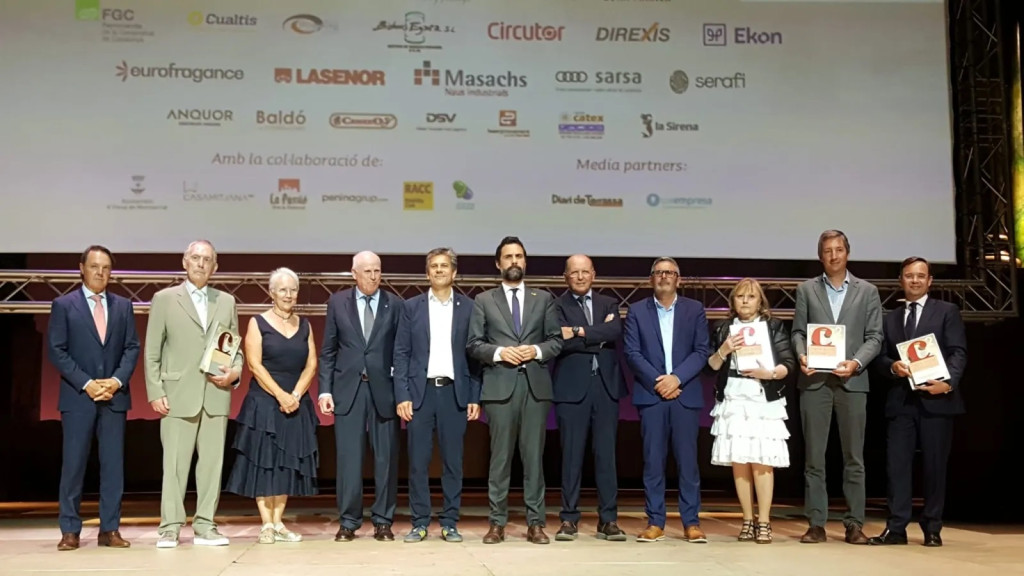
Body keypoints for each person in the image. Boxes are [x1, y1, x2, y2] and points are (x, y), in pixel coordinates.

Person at [145, 240, 243, 548]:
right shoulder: (164, 299)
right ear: (185, 262)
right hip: (177, 394)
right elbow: (152, 352)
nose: (201, 264)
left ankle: (205, 526)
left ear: (215, 267)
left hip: (215, 395)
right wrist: (155, 390)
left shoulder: (226, 301)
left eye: (207, 259)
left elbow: (235, 350)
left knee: (212, 465)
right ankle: (170, 528)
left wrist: (234, 373)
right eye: (196, 258)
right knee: (174, 465)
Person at [467, 236, 562, 545]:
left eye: (518, 256)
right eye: (508, 257)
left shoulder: (543, 299)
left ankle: (536, 523)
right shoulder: (484, 300)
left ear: (525, 261)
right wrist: (499, 353)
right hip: (499, 387)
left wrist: (534, 350)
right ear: (498, 263)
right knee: (500, 459)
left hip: (534, 388)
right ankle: (497, 523)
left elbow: (555, 341)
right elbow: (474, 344)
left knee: (534, 459)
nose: (513, 261)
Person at [868, 257, 967, 547]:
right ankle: (896, 528)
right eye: (909, 275)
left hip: (937, 400)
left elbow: (958, 352)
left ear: (929, 280)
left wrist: (947, 384)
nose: (914, 280)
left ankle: (932, 527)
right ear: (901, 279)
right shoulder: (891, 317)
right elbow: (881, 357)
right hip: (901, 402)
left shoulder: (947, 311)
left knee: (935, 467)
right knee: (896, 467)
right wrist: (891, 367)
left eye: (920, 276)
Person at [791, 230, 882, 544]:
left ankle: (854, 523)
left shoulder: (867, 291)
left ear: (848, 253)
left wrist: (855, 363)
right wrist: (802, 355)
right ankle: (816, 523)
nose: (833, 255)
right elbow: (798, 332)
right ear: (820, 256)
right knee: (814, 458)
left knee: (853, 458)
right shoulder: (806, 290)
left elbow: (875, 337)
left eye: (839, 249)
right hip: (815, 382)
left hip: (852, 382)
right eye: (827, 251)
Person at [47, 245, 140, 551]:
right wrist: (87, 383)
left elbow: (131, 348)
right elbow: (57, 350)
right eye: (95, 267)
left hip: (114, 397)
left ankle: (109, 529)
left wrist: (115, 381)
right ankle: (70, 529)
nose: (101, 273)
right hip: (78, 397)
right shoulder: (64, 305)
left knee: (113, 467)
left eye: (106, 268)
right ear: (81, 268)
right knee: (73, 466)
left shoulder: (123, 306)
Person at [393, 248, 481, 543]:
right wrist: (402, 394)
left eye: (445, 266)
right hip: (420, 395)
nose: (439, 270)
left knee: (453, 462)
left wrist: (474, 396)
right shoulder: (411, 307)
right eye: (434, 266)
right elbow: (401, 353)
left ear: (454, 272)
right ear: (427, 272)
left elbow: (475, 357)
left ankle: (450, 521)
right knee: (417, 462)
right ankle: (419, 522)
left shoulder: (470, 307)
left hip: (455, 394)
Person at [226, 268, 319, 544]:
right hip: (265, 403)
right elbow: (254, 364)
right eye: (283, 289)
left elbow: (312, 363)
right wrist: (281, 395)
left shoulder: (305, 325)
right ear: (271, 292)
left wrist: (297, 394)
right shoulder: (258, 322)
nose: (288, 294)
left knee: (286, 464)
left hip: (295, 401)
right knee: (265, 463)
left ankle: (279, 522)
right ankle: (266, 523)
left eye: (293, 290)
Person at [623, 257, 711, 543]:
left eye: (670, 272)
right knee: (653, 461)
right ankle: (655, 521)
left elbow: (701, 351)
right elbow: (633, 353)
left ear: (678, 279)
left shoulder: (695, 309)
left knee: (688, 463)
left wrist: (677, 379)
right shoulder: (636, 311)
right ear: (652, 279)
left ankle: (691, 522)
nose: (664, 277)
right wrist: (660, 382)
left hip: (684, 394)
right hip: (652, 395)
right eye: (659, 272)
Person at [318, 251, 402, 542]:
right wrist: (325, 389)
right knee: (349, 459)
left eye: (377, 270)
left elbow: (401, 353)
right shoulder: (337, 302)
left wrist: (402, 392)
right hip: (348, 391)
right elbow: (328, 351)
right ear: (354, 273)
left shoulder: (396, 304)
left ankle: (382, 520)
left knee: (386, 460)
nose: (373, 276)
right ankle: (349, 521)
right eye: (367, 271)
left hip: (384, 391)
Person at [706, 278, 795, 544]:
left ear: (760, 301)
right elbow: (711, 365)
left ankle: (764, 522)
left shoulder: (773, 326)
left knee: (762, 461)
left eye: (751, 296)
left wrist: (768, 373)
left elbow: (788, 363)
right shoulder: (723, 327)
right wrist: (724, 349)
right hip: (733, 396)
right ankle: (746, 519)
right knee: (740, 461)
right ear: (732, 301)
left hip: (761, 397)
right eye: (740, 296)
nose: (745, 301)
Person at [552, 254, 628, 542]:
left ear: (593, 274)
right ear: (566, 277)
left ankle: (608, 520)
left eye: (585, 272)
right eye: (575, 273)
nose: (581, 277)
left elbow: (615, 331)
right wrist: (597, 336)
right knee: (571, 457)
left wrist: (579, 331)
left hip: (606, 388)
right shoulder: (556, 306)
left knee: (606, 457)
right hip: (571, 390)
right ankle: (569, 518)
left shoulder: (609, 303)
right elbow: (559, 342)